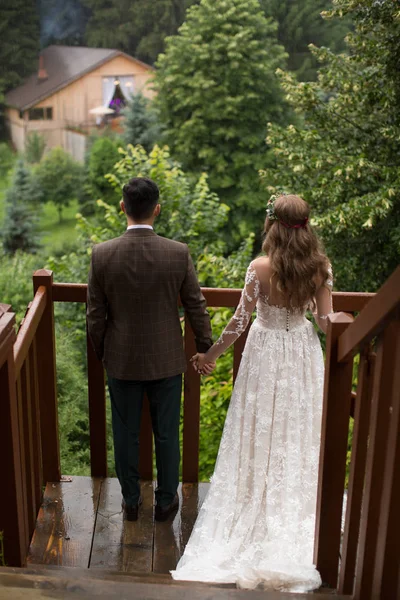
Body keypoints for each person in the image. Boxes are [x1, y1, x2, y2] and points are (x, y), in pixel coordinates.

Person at [171, 194, 333, 592]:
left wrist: (208, 355)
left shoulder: (259, 268)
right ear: (307, 226)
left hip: (263, 354)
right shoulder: (320, 268)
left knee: (256, 427)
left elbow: (238, 323)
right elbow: (328, 323)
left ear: (272, 226)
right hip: (301, 351)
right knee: (297, 429)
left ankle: (252, 500)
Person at [87, 177, 213, 522]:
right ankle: (165, 502)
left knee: (125, 434)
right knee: (167, 434)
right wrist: (204, 348)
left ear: (122, 207)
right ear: (156, 209)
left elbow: (95, 316)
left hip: (122, 360)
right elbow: (196, 306)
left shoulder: (102, 254)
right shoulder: (177, 252)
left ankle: (130, 501)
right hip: (167, 360)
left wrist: (101, 353)